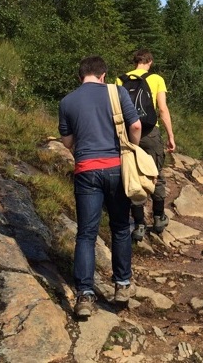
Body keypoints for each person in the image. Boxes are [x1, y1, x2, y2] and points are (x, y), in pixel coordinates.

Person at [59, 56, 142, 317]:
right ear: (103, 75)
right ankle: (122, 285)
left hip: (86, 170)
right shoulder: (116, 92)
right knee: (119, 227)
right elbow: (136, 125)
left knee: (86, 233)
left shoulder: (67, 101)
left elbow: (67, 141)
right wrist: (133, 149)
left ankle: (84, 295)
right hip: (117, 169)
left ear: (80, 75)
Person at [116, 49, 176, 240]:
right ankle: (158, 217)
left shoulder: (121, 79)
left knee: (133, 176)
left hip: (128, 133)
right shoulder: (156, 78)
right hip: (150, 132)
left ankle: (139, 224)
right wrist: (170, 136)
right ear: (149, 61)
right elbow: (163, 110)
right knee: (155, 174)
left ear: (135, 62)